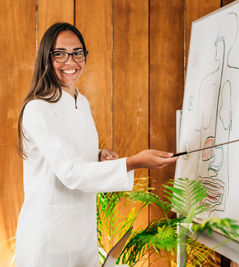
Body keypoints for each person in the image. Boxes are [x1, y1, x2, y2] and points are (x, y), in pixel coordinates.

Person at [15, 22, 177, 267]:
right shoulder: (38, 108)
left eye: (78, 53)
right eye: (60, 54)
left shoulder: (82, 103)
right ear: (47, 58)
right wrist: (134, 162)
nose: (71, 62)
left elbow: (74, 152)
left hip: (82, 231)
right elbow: (70, 172)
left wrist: (99, 154)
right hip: (48, 237)